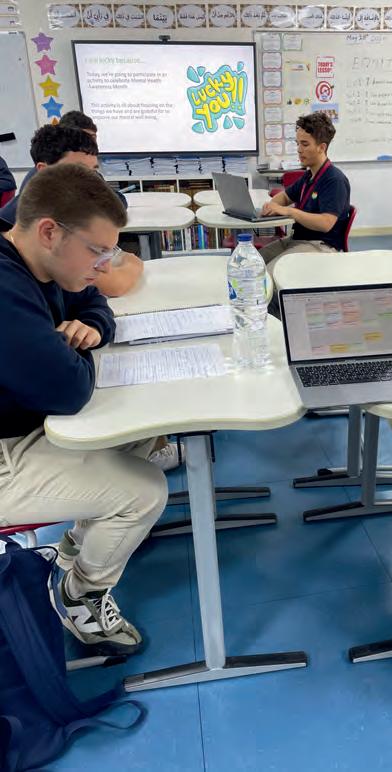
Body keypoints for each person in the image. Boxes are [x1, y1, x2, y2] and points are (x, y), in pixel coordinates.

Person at [0, 164, 168, 653]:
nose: (103, 265)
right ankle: (81, 596)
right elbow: (70, 388)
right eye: (97, 251)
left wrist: (88, 330)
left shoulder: (46, 266)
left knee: (138, 432)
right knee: (145, 491)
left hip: (25, 422)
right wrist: (75, 353)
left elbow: (95, 305)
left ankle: (75, 546)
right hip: (6, 451)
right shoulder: (5, 289)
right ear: (49, 232)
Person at [0, 125, 143, 298]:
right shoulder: (37, 216)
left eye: (94, 172)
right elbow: (114, 285)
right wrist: (133, 263)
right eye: (77, 170)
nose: (92, 182)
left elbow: (88, 298)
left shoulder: (61, 202)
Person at [259, 112, 351, 272]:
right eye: (297, 144)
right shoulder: (309, 175)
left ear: (322, 147)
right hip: (298, 240)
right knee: (254, 262)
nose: (299, 150)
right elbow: (285, 196)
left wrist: (289, 211)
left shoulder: (334, 180)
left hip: (320, 246)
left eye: (305, 144)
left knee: (271, 273)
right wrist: (272, 205)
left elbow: (325, 223)